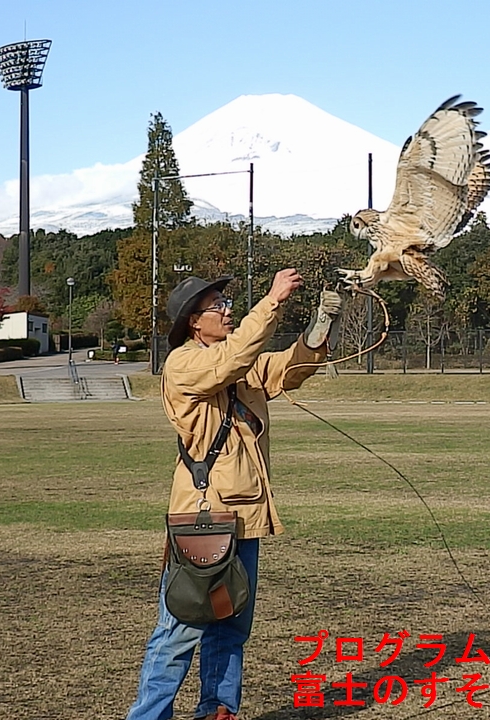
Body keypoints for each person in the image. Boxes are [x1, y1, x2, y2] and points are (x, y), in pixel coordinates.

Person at [125, 269, 341, 720]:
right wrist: (273, 301)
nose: (227, 309)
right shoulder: (185, 364)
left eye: (226, 302)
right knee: (181, 627)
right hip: (203, 521)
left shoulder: (237, 363)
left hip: (244, 516)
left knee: (232, 624)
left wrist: (320, 325)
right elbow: (234, 357)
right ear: (192, 322)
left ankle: (218, 711)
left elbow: (287, 369)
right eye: (217, 306)